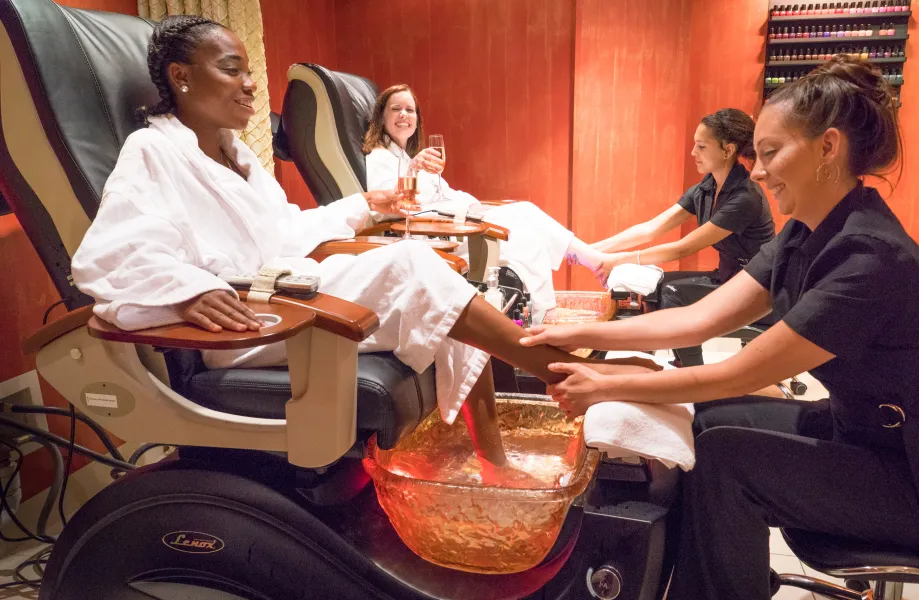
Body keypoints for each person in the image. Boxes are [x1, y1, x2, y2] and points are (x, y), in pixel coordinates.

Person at [71, 16, 657, 471]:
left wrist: (361, 208)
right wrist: (187, 289)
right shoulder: (153, 152)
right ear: (181, 76)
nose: (251, 84)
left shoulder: (239, 157)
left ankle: (496, 456)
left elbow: (287, 232)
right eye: (231, 69)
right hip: (244, 325)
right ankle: (567, 373)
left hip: (281, 294)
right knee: (409, 264)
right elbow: (109, 254)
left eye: (248, 69)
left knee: (433, 274)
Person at [522, 56, 919, 600]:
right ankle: (710, 574)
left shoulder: (870, 257)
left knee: (730, 461)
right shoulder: (804, 232)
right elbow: (698, 319)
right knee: (711, 422)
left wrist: (604, 384)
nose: (761, 170)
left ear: (828, 147)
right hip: (866, 433)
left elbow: (734, 373)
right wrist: (580, 336)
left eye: (772, 153)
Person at [363, 84, 616, 320]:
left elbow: (446, 193)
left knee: (526, 219)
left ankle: (575, 280)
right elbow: (386, 208)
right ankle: (554, 305)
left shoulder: (408, 157)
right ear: (381, 117)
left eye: (410, 109)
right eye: (396, 109)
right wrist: (414, 171)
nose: (404, 114)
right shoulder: (380, 157)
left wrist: (474, 206)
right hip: (436, 234)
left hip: (459, 219)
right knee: (527, 239)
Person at [584, 108, 775, 367]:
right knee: (653, 287)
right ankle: (645, 365)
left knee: (673, 293)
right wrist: (587, 250)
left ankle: (693, 376)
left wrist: (614, 261)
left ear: (728, 150)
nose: (693, 153)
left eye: (701, 146)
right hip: (726, 277)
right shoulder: (707, 188)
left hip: (753, 289)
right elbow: (651, 228)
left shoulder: (744, 198)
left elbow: (682, 248)